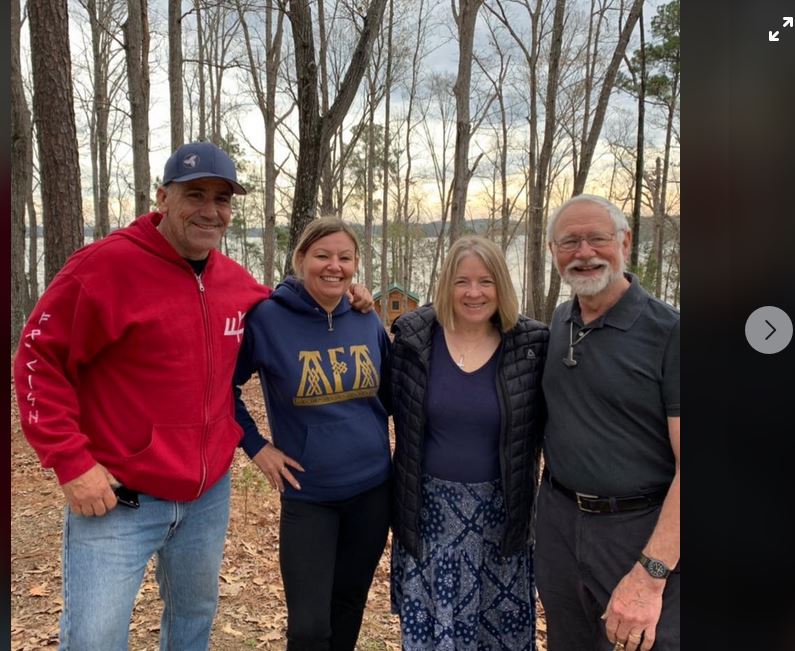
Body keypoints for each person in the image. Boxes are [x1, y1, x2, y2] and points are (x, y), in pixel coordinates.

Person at [12, 141, 372, 650]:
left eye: (222, 199)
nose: (211, 210)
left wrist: (348, 296)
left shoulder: (233, 282)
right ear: (163, 197)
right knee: (94, 638)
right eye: (195, 194)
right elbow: (35, 360)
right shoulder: (103, 268)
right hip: (119, 498)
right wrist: (71, 462)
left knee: (192, 622)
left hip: (206, 497)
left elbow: (287, 306)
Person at [233, 218, 393, 651]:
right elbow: (221, 388)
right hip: (309, 496)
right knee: (307, 628)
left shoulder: (366, 318)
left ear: (356, 265)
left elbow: (395, 393)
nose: (334, 266)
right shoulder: (268, 318)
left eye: (345, 258)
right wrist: (256, 446)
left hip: (374, 492)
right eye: (322, 255)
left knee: (348, 608)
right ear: (300, 259)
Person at [387, 235, 549, 651]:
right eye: (462, 281)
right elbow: (372, 402)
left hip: (502, 522)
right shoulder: (413, 338)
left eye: (485, 281)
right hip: (430, 520)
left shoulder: (532, 345)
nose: (473, 292)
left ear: (502, 287)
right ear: (446, 285)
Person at [535, 195, 681, 651]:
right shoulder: (560, 321)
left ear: (625, 242)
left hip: (638, 530)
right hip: (559, 524)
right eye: (569, 242)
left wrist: (651, 574)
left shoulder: (670, 333)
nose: (583, 253)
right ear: (553, 251)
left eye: (597, 238)